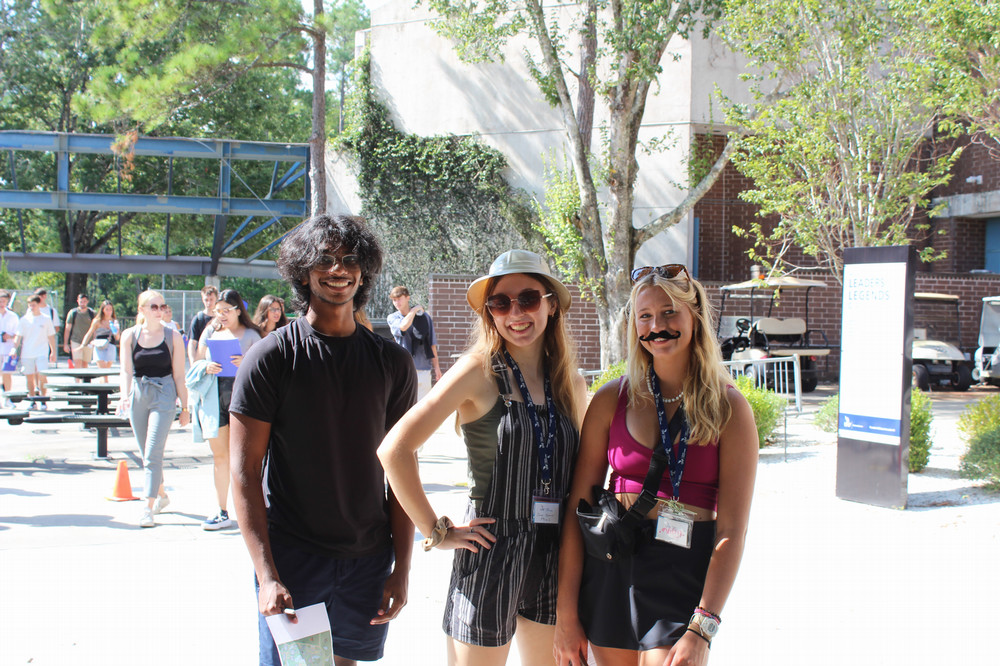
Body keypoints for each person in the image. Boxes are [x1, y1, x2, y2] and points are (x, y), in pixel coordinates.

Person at [379, 249, 588, 666]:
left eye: (528, 298)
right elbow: (394, 449)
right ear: (489, 312)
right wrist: (436, 531)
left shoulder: (570, 382)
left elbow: (583, 473)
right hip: (492, 550)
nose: (515, 313)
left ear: (550, 304)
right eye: (500, 302)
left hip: (555, 555)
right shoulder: (478, 370)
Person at [228, 214, 417, 666]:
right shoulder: (271, 357)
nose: (339, 269)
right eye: (325, 259)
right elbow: (244, 472)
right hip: (296, 559)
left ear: (365, 270)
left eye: (350, 259)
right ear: (303, 270)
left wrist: (403, 570)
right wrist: (267, 575)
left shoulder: (392, 363)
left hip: (368, 561)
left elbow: (402, 471)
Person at [553, 265, 758, 666]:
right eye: (645, 316)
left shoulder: (729, 407)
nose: (656, 326)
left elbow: (733, 530)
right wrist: (566, 615)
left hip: (681, 571)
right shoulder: (611, 399)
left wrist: (703, 627)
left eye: (668, 313)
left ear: (695, 318)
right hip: (612, 563)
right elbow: (578, 511)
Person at [119, 291, 190, 527]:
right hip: (139, 394)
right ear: (141, 310)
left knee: (152, 453)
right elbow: (126, 371)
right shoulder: (130, 335)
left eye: (162, 306)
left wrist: (185, 407)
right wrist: (124, 396)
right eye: (154, 306)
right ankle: (162, 495)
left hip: (164, 394)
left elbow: (179, 375)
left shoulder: (173, 337)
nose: (159, 310)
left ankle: (146, 507)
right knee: (147, 454)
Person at [195, 288, 261, 530]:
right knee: (220, 457)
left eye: (226, 310)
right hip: (216, 398)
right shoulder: (210, 333)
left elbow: (265, 368)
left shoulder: (252, 335)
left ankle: (249, 511)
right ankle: (222, 510)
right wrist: (206, 366)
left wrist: (246, 363)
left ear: (237, 310)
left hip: (243, 400)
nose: (221, 315)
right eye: (217, 311)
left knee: (244, 458)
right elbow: (197, 363)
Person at [388, 285, 442, 400]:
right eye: (394, 300)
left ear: (407, 297)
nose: (397, 302)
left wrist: (436, 367)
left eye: (399, 298)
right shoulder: (393, 318)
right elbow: (403, 326)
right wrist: (414, 310)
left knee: (424, 405)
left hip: (423, 369)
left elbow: (431, 342)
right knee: (405, 406)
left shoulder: (425, 317)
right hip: (403, 369)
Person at [8, 295, 57, 411]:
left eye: (34, 305)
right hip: (27, 353)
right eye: (30, 305)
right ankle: (32, 400)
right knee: (29, 378)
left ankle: (43, 400)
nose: (31, 307)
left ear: (39, 305)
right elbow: (18, 336)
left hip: (42, 352)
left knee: (42, 376)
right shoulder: (24, 320)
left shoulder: (46, 319)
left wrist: (53, 351)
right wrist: (14, 348)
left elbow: (51, 336)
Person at [80, 300, 121, 383]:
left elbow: (117, 337)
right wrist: (83, 344)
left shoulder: (114, 322)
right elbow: (90, 333)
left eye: (110, 309)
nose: (109, 312)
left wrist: (115, 330)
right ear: (103, 310)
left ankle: (102, 388)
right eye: (107, 309)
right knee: (103, 371)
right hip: (99, 346)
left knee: (106, 371)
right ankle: (105, 388)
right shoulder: (97, 321)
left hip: (110, 346)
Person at [187, 285, 220, 364]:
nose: (209, 303)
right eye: (206, 300)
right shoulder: (198, 319)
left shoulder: (222, 318)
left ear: (216, 299)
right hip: (203, 360)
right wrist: (193, 363)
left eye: (211, 299)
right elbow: (192, 343)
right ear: (202, 299)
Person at [63, 293, 96, 369]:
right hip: (76, 340)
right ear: (78, 301)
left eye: (84, 301)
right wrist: (65, 344)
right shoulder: (73, 313)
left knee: (85, 364)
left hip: (88, 342)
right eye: (81, 301)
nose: (82, 303)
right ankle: (77, 381)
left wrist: (94, 340)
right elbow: (68, 329)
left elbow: (95, 329)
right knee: (77, 362)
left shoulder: (92, 313)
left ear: (87, 301)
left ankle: (84, 380)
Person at [0, 291, 19, 408]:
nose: (1, 303)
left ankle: (7, 399)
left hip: (8, 350)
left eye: (3, 301)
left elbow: (18, 333)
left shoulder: (13, 316)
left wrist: (10, 337)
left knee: (7, 375)